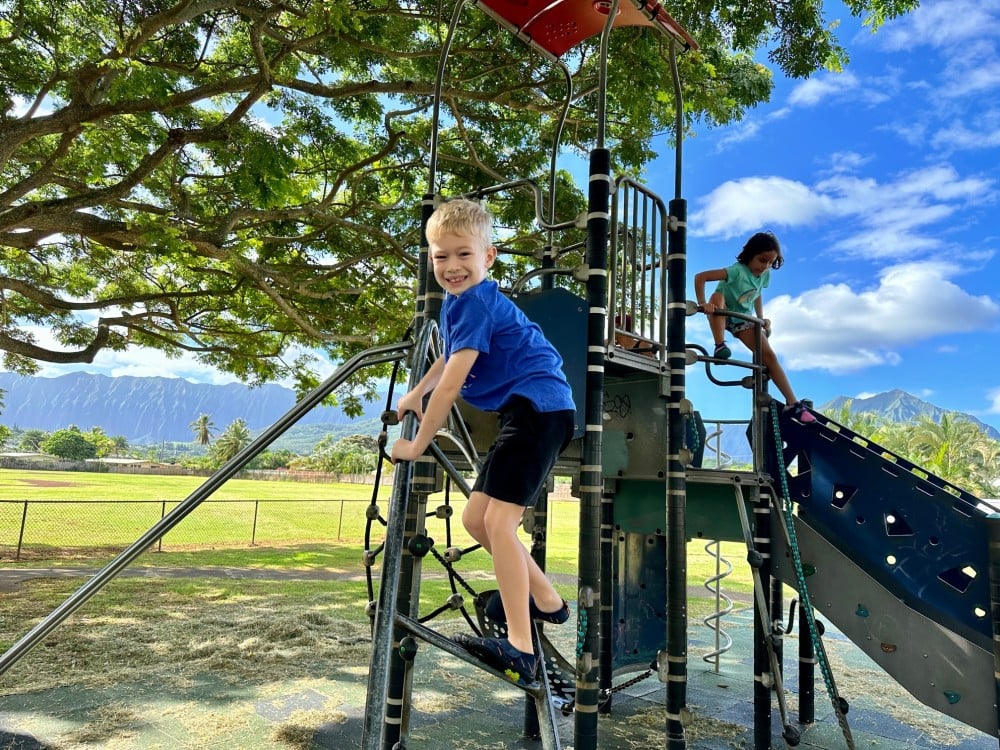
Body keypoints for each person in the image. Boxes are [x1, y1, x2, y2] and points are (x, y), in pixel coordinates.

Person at [390, 198, 576, 687]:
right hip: (524, 414)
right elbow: (444, 363)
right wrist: (415, 392)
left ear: (488, 257)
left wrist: (416, 445)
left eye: (463, 255)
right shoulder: (457, 304)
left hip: (542, 410)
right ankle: (550, 604)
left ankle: (521, 648)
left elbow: (454, 383)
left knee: (499, 520)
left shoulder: (477, 301)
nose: (451, 267)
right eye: (440, 256)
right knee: (476, 520)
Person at [694, 231, 815, 423]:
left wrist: (761, 318)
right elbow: (700, 277)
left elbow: (757, 294)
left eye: (770, 262)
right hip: (722, 314)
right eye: (762, 260)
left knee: (769, 357)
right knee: (717, 296)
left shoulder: (764, 276)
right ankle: (720, 345)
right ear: (750, 255)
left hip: (743, 320)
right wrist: (702, 303)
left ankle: (792, 403)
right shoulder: (736, 271)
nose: (765, 266)